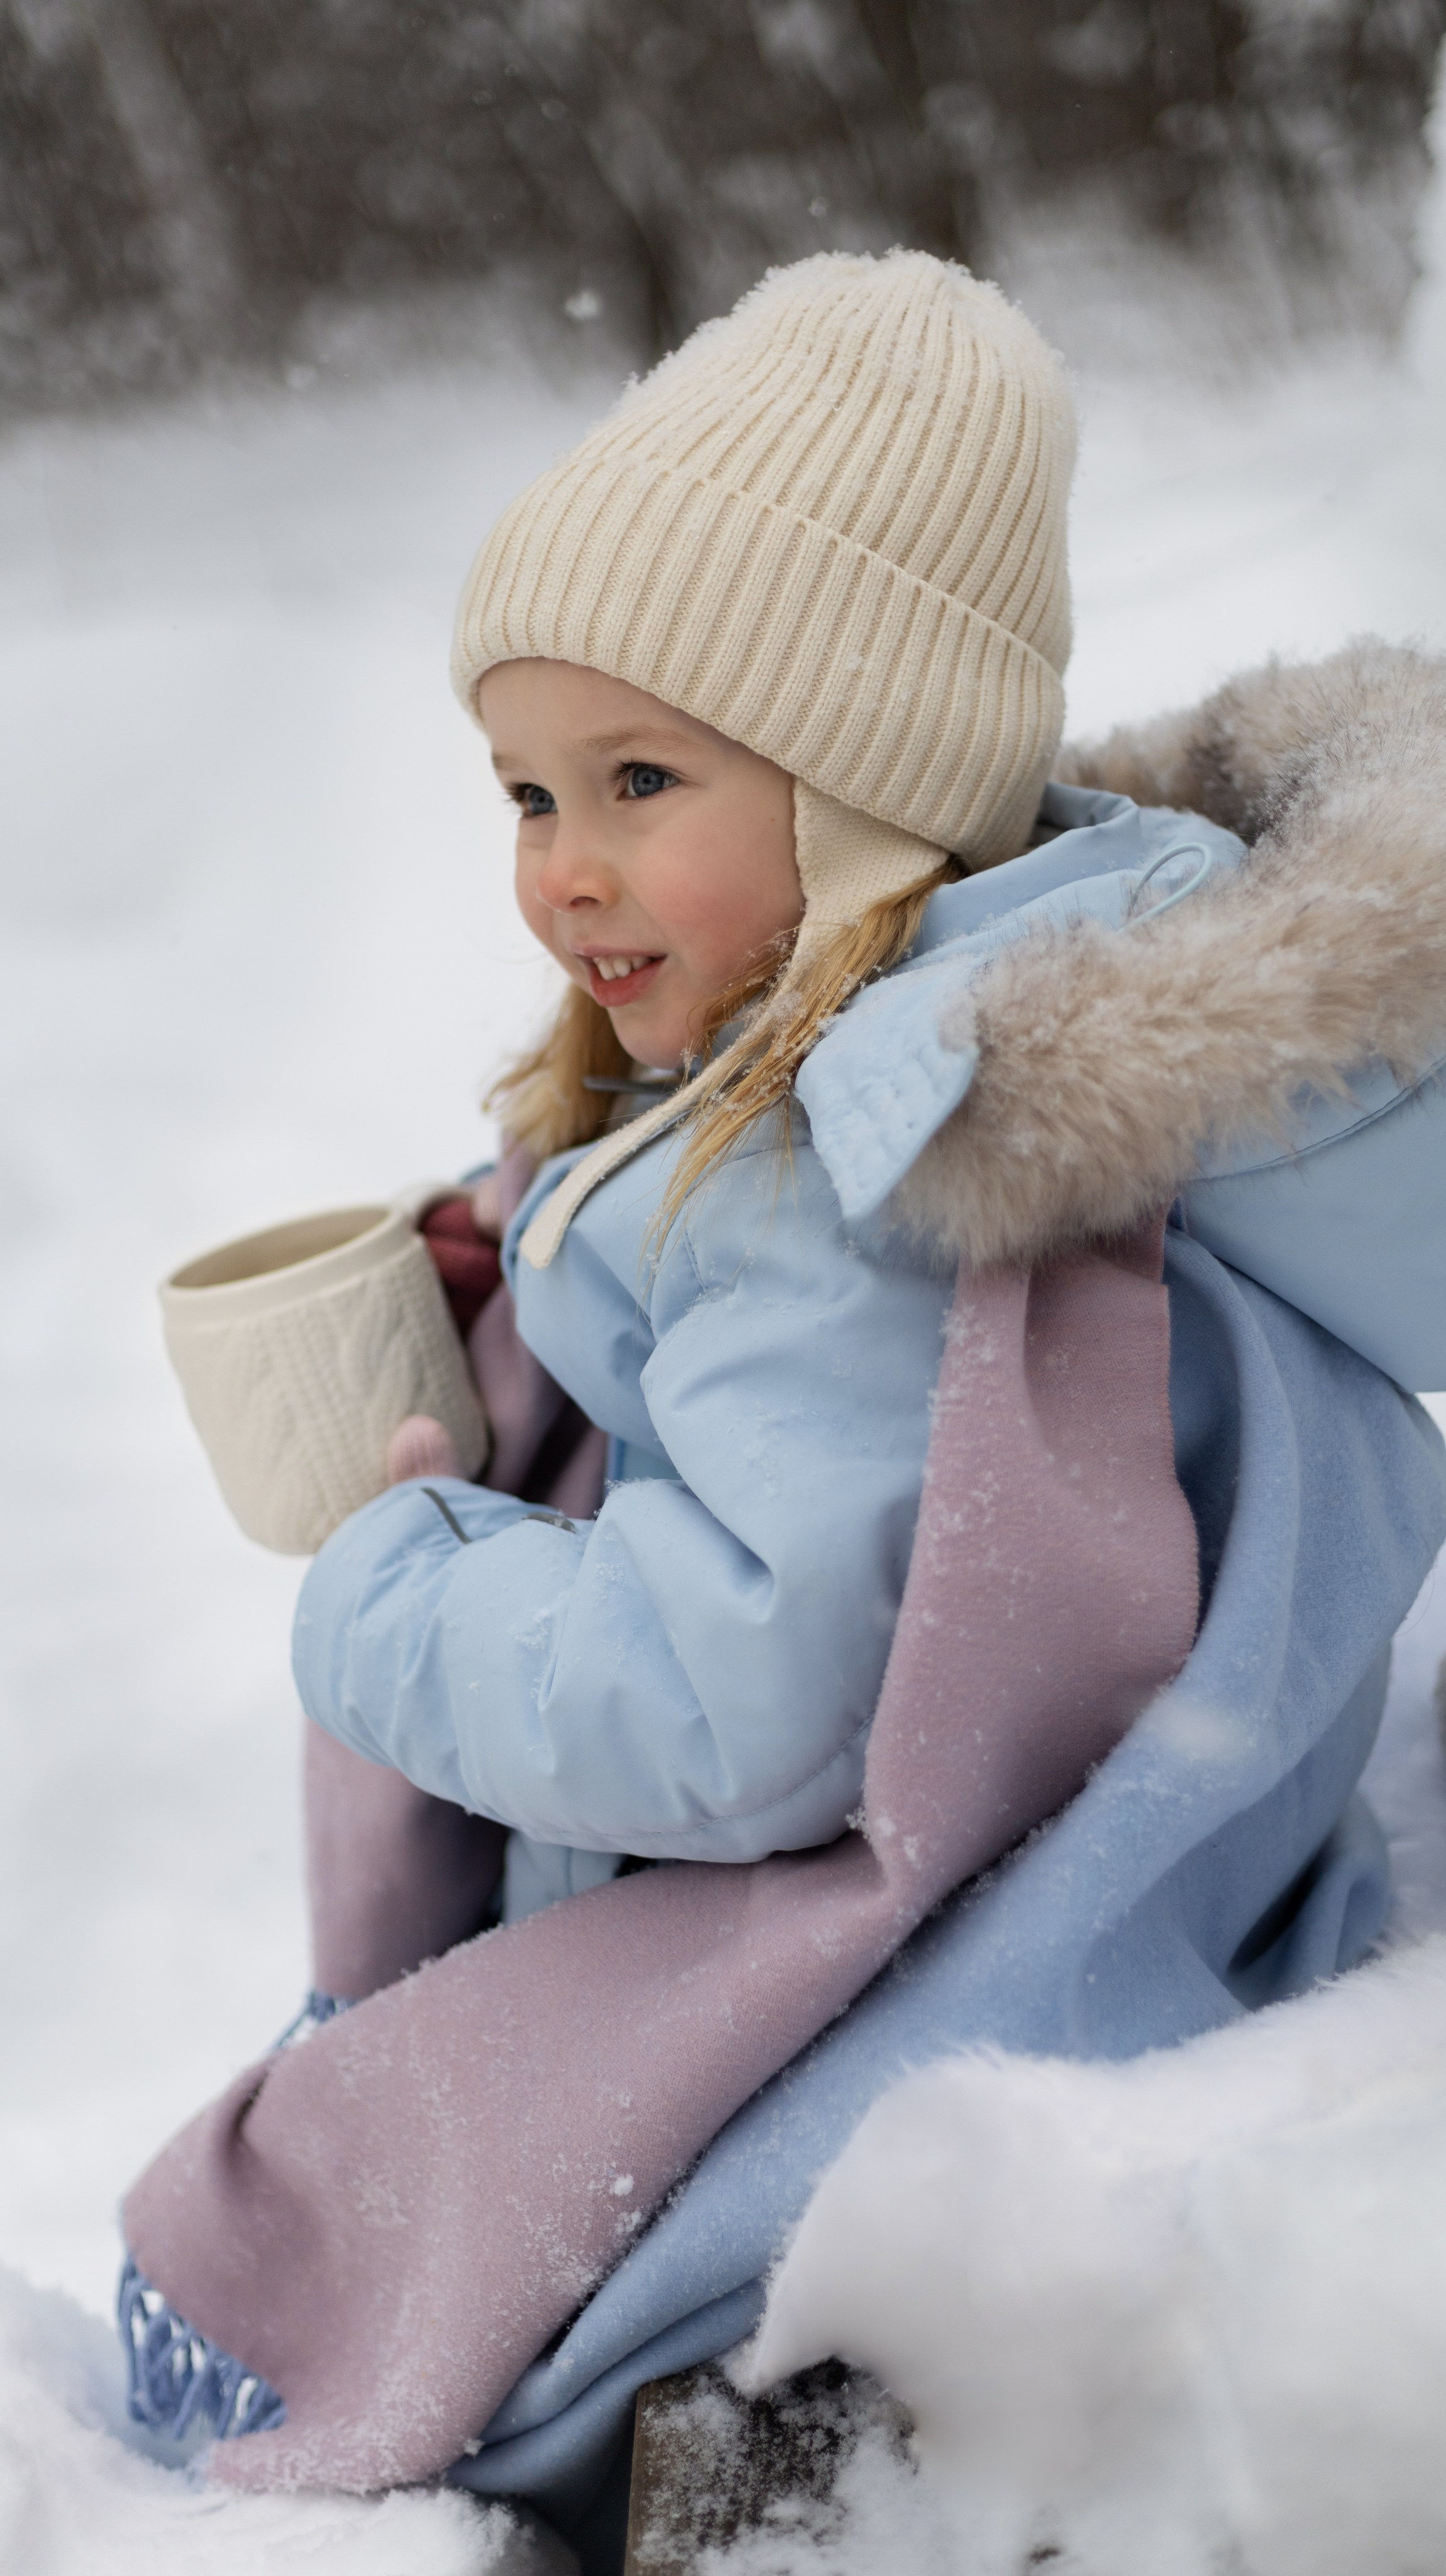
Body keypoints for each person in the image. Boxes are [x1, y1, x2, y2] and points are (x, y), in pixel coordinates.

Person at [119, 252, 1446, 2558]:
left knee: (325, 2231)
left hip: (886, 1948)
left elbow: (737, 1711)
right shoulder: (1034, 999)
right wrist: (521, 1257)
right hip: (1160, 1851)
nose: (564, 869)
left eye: (640, 781)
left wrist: (392, 1594)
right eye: (528, 790)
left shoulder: (837, 1179)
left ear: (869, 780)